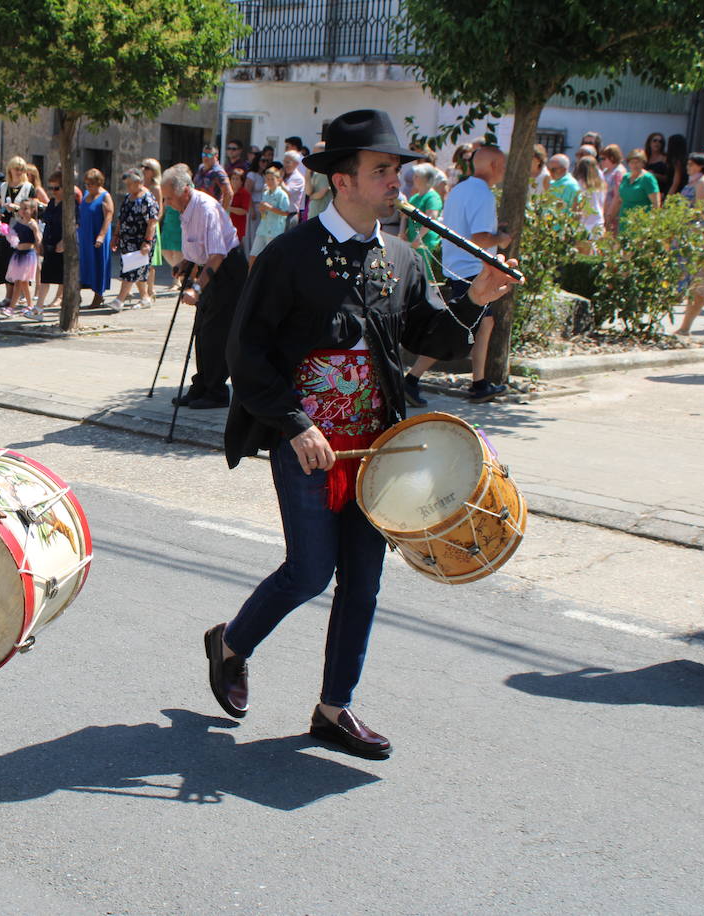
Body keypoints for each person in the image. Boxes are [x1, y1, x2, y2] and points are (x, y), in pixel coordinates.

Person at [206, 108, 521, 759]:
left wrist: (478, 297)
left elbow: (430, 337)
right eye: (382, 170)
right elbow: (247, 354)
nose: (394, 182)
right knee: (310, 571)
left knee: (364, 581)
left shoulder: (399, 256)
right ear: (342, 180)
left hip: (376, 451)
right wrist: (294, 424)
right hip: (308, 446)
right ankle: (230, 644)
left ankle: (333, 707)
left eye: (396, 170)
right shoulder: (289, 255)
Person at [403, 144, 512, 405]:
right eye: (503, 165)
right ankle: (412, 378)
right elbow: (480, 237)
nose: (504, 171)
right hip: (473, 271)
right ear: (495, 165)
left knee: (483, 325)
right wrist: (502, 239)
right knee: (457, 328)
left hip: (459, 267)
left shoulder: (460, 188)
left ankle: (479, 383)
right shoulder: (482, 193)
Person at [163, 164, 247, 410]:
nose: (167, 203)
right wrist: (185, 262)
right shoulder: (187, 207)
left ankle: (217, 391)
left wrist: (197, 289)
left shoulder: (206, 208)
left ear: (184, 191)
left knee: (215, 333)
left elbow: (217, 255)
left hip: (228, 270)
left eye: (169, 197)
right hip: (212, 267)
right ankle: (201, 385)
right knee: (201, 330)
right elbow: (199, 247)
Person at [109, 168, 159, 310]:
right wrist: (116, 236)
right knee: (136, 270)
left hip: (140, 240)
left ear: (139, 182)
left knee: (130, 269)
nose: (128, 187)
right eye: (127, 184)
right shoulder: (128, 197)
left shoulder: (147, 199)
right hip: (127, 239)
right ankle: (145, 298)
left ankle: (119, 300)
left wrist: (147, 242)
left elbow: (152, 222)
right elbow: (121, 218)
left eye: (131, 184)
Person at [0, 157, 40, 307]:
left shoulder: (28, 187)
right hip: (8, 226)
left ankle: (21, 295)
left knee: (21, 261)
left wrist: (17, 208)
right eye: (16, 169)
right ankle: (8, 294)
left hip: (22, 225)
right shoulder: (4, 186)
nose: (19, 172)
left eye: (21, 169)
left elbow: (33, 207)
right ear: (10, 170)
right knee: (6, 259)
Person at [676, 153, 704, 335]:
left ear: (700, 165)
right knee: (687, 280)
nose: (688, 166)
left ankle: (685, 328)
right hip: (685, 235)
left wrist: (699, 238)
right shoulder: (692, 181)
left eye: (691, 164)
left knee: (697, 283)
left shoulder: (703, 182)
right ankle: (684, 327)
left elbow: (702, 211)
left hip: (696, 237)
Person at [77, 167, 113, 308]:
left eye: (90, 184)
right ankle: (76, 297)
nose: (88, 187)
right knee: (83, 265)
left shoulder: (105, 196)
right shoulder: (86, 194)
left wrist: (101, 236)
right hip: (85, 234)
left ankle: (98, 297)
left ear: (99, 183)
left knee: (98, 264)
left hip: (97, 235)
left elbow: (109, 217)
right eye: (86, 184)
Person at [401, 162, 443, 281]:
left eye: (417, 176)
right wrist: (402, 233)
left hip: (426, 243)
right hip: (413, 242)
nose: (413, 178)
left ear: (426, 179)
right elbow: (404, 216)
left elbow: (431, 220)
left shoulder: (432, 197)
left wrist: (418, 238)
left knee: (426, 277)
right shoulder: (414, 197)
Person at [1, 198, 40, 317]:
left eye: (26, 209)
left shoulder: (32, 223)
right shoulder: (18, 222)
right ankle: (30, 305)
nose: (22, 211)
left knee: (19, 282)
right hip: (18, 254)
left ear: (33, 210)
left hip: (28, 255)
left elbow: (38, 238)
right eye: (21, 208)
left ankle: (11, 308)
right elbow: (13, 236)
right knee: (23, 282)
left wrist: (38, 238)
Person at [35, 172, 66, 313]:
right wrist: (41, 240)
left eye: (56, 188)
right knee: (45, 278)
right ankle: (39, 307)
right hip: (49, 244)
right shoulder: (52, 203)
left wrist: (64, 241)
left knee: (64, 278)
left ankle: (67, 305)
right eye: (51, 188)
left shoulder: (69, 204)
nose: (53, 191)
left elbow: (75, 225)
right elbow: (46, 223)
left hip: (62, 246)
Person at [249, 166, 290, 261]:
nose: (270, 181)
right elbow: (264, 211)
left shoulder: (282, 194)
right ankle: (250, 276)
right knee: (253, 255)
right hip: (263, 228)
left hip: (274, 231)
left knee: (271, 259)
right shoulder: (265, 193)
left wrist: (270, 207)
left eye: (272, 179)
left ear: (279, 180)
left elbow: (285, 212)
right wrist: (262, 209)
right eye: (267, 179)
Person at [618, 149, 662, 232]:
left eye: (638, 162)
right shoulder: (625, 177)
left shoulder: (648, 179)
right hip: (624, 221)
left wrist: (653, 225)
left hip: (640, 223)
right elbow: (619, 199)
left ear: (643, 163)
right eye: (632, 162)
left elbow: (656, 204)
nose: (635, 165)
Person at [141, 158, 164, 302]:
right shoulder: (140, 185)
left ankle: (150, 289)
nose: (143, 169)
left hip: (151, 225)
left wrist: (153, 223)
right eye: (142, 166)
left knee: (149, 261)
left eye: (147, 167)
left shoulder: (156, 188)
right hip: (138, 225)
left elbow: (160, 209)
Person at [575, 155, 607, 247]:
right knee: (596, 248)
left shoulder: (579, 184)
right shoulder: (600, 182)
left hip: (584, 220)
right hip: (598, 218)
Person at [599, 143, 627, 234]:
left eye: (603, 159)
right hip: (603, 213)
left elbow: (617, 197)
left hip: (612, 215)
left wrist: (609, 216)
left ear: (612, 158)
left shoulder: (618, 172)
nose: (601, 161)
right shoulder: (606, 171)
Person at [305, 141, 332, 220]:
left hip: (323, 215)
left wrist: (311, 197)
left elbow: (321, 193)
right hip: (313, 214)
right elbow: (308, 191)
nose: (313, 156)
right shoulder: (316, 171)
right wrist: (307, 174)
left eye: (315, 153)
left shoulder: (326, 171)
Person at [281, 151, 306, 229]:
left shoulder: (298, 178)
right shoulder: (285, 176)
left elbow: (288, 192)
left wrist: (279, 180)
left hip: (290, 215)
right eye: (284, 162)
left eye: (288, 162)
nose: (285, 165)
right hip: (279, 214)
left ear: (296, 164)